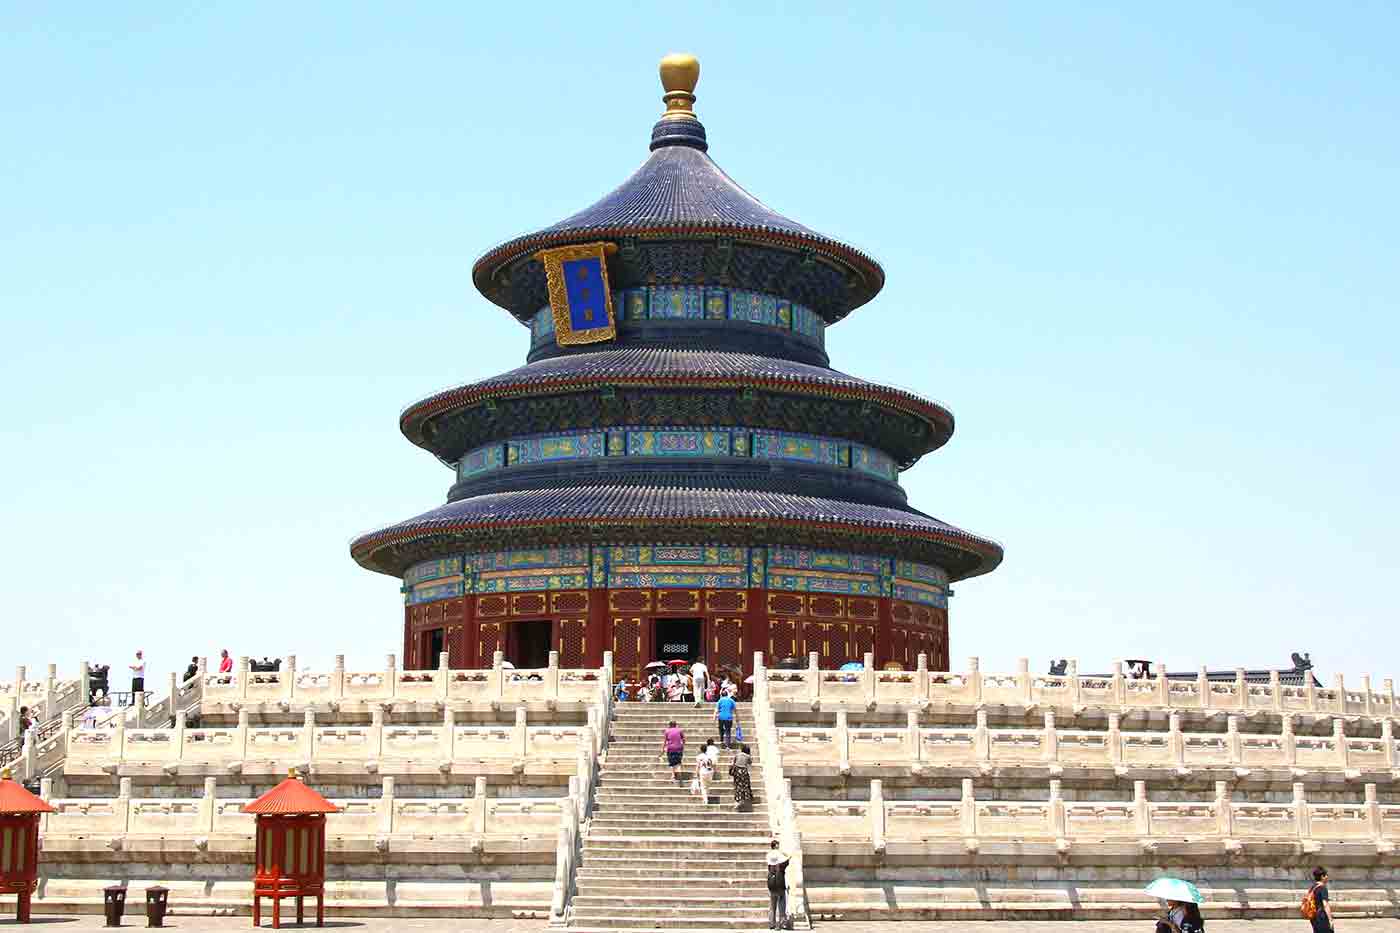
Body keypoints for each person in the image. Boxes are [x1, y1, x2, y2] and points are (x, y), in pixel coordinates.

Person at [766, 840, 791, 929]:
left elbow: (769, 864)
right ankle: (782, 923)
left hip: (771, 881)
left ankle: (772, 924)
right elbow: (789, 858)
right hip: (779, 882)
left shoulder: (768, 855)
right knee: (782, 903)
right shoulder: (780, 858)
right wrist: (782, 852)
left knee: (772, 904)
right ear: (776, 846)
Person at [1308, 867, 1334, 933]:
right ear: (1322, 876)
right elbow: (1325, 904)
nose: (1327, 877)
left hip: (1314, 916)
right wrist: (1330, 920)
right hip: (1322, 917)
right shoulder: (1322, 888)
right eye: (1326, 875)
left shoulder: (1313, 887)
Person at [731, 743, 754, 812]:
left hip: (737, 771)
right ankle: (746, 798)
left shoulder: (737, 755)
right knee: (745, 785)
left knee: (738, 786)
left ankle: (738, 800)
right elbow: (750, 763)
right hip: (744, 771)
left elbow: (733, 762)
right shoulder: (748, 756)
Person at [694, 739, 715, 803]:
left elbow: (698, 766)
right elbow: (712, 764)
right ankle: (706, 797)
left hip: (703, 771)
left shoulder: (699, 756)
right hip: (710, 771)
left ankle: (705, 800)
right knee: (707, 786)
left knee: (703, 786)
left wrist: (696, 773)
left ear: (701, 750)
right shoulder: (709, 756)